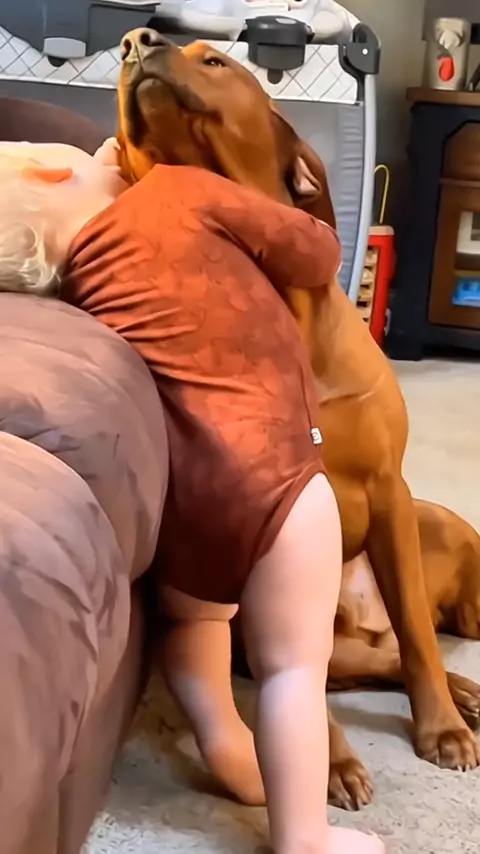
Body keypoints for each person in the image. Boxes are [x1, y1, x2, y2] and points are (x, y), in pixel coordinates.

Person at [0, 140, 384, 854]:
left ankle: (225, 740)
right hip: (274, 474)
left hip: (186, 496)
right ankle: (306, 837)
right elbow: (313, 255)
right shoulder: (175, 188)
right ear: (55, 170)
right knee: (294, 667)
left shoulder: (80, 283)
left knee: (199, 617)